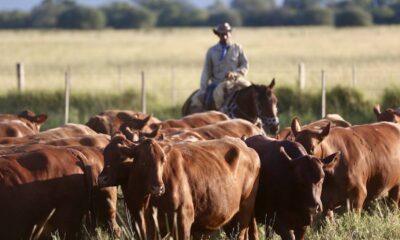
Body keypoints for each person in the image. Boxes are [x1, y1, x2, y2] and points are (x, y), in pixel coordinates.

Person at [190, 22, 251, 112]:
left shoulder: (237, 48)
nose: (225, 37)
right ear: (218, 35)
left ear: (230, 33)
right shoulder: (211, 51)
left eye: (226, 34)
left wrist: (235, 73)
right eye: (222, 35)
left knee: (252, 93)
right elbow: (206, 72)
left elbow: (245, 65)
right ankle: (220, 114)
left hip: (236, 82)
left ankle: (257, 120)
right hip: (218, 83)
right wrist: (203, 89)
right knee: (208, 99)